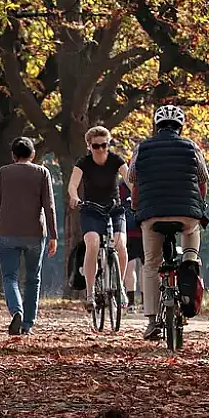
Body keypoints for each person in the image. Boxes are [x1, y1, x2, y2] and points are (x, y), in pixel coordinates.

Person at [126, 104, 209, 341]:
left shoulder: (142, 148)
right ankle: (190, 260)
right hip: (186, 213)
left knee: (151, 264)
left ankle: (152, 321)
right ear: (180, 127)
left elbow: (133, 180)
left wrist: (135, 207)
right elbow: (203, 181)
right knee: (192, 231)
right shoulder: (192, 147)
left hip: (152, 214)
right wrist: (198, 204)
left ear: (156, 125)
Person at [0, 136, 59, 335]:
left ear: (13, 155)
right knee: (33, 279)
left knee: (9, 277)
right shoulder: (42, 172)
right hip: (35, 233)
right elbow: (49, 206)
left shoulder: (3, 172)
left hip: (7, 233)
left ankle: (16, 310)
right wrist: (53, 235)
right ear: (33, 154)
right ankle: (28, 323)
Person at [68, 126, 130, 311]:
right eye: (97, 146)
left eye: (105, 145)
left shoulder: (116, 160)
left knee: (121, 245)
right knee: (93, 243)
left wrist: (136, 195)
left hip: (114, 209)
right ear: (89, 146)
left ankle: (120, 288)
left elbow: (130, 179)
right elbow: (73, 184)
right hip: (91, 209)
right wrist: (74, 197)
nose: (102, 149)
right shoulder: (83, 163)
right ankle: (89, 293)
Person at [120, 179, 144, 312]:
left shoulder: (121, 187)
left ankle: (132, 303)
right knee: (144, 269)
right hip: (141, 231)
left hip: (129, 232)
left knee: (132, 268)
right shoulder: (145, 183)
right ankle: (141, 302)